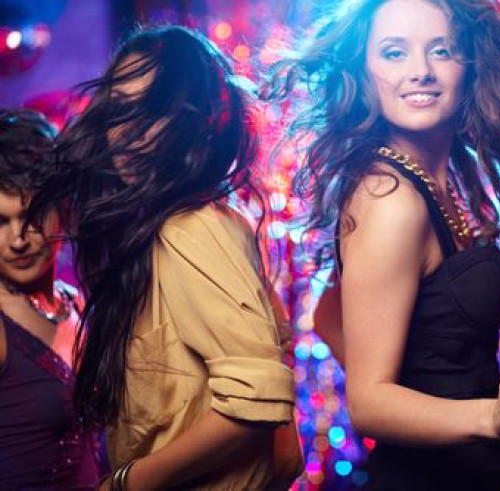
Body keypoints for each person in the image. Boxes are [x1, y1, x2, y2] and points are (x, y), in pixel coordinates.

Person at [266, 0, 500, 487]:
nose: (420, 72)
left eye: (441, 51)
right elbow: (369, 403)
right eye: (394, 53)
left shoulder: (440, 182)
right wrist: (493, 416)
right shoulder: (390, 198)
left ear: (469, 64)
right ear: (364, 73)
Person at [29, 26, 302, 489]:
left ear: (194, 121)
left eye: (155, 111)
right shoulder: (178, 229)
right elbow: (286, 451)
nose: (130, 134)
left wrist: (126, 483)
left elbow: (258, 403)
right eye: (122, 109)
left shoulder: (192, 228)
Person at [0, 109, 99, 488]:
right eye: (0, 222)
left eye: (31, 216)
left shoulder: (77, 305)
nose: (18, 239)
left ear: (63, 209)